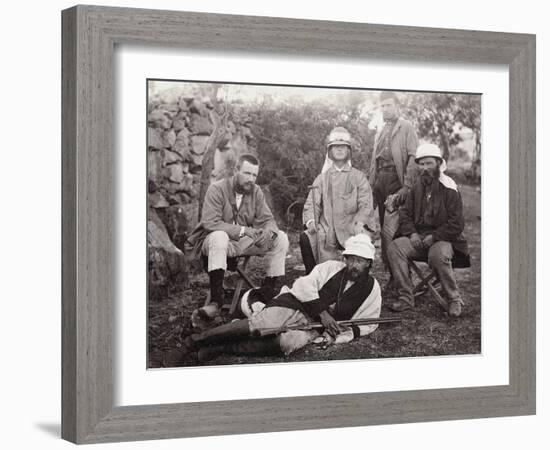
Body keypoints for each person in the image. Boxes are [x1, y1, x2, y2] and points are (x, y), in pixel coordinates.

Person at [187, 234, 382, 362]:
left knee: (287, 343)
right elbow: (303, 285)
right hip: (294, 305)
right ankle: (196, 340)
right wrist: (322, 313)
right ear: (345, 259)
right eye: (352, 259)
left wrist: (341, 333)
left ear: (368, 264)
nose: (355, 265)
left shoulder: (372, 289)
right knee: (263, 324)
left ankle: (219, 349)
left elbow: (370, 321)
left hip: (314, 327)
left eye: (360, 261)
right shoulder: (330, 268)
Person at [187, 153, 289, 319]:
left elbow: (268, 219)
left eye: (254, 175)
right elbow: (210, 223)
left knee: (281, 238)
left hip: (240, 243)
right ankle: (215, 302)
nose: (251, 179)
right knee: (219, 236)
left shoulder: (256, 192)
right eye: (247, 173)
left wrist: (267, 232)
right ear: (236, 170)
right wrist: (244, 230)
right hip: (214, 242)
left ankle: (268, 291)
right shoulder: (217, 189)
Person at [387, 143, 469, 317]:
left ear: (439, 164)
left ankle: (453, 298)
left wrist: (434, 237)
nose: (425, 168)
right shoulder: (417, 186)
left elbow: (456, 223)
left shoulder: (449, 188)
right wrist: (413, 233)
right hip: (418, 238)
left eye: (429, 163)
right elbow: (405, 214)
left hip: (443, 239)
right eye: (421, 164)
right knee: (395, 248)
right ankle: (406, 298)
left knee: (438, 255)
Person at [300, 127, 375, 274]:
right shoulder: (322, 178)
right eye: (335, 146)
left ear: (349, 151)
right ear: (330, 151)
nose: (339, 149)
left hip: (352, 226)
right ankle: (314, 279)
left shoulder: (359, 177)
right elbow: (312, 203)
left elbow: (366, 204)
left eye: (343, 147)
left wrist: (360, 222)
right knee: (306, 238)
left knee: (362, 240)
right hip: (327, 228)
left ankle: (358, 281)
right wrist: (311, 221)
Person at [368, 91, 419, 272]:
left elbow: (414, 157)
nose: (385, 109)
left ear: (397, 106)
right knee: (382, 228)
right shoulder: (380, 130)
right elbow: (375, 160)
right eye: (382, 106)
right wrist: (371, 185)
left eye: (389, 105)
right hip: (380, 181)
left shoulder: (406, 127)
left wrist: (407, 185)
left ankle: (399, 277)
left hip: (396, 181)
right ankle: (390, 272)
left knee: (392, 231)